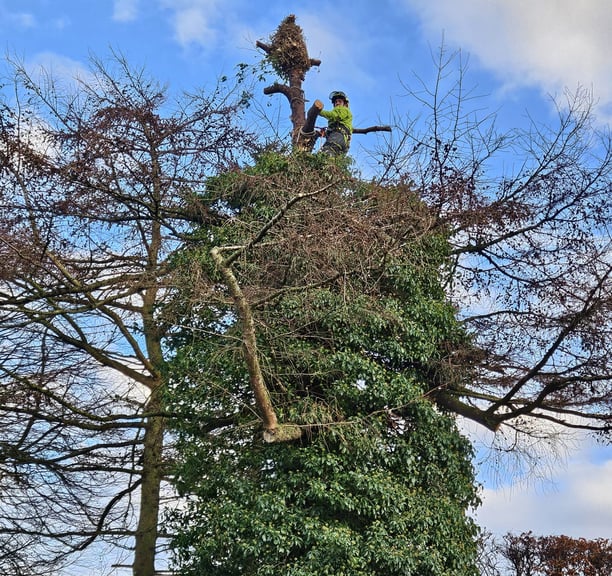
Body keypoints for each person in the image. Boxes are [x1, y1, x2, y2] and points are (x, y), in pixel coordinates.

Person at [314, 91, 353, 156]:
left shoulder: (343, 109)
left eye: (340, 101)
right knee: (334, 161)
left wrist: (318, 111)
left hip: (338, 137)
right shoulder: (345, 118)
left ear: (344, 104)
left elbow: (334, 115)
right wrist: (325, 133)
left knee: (326, 153)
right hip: (343, 141)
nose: (337, 103)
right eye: (336, 102)